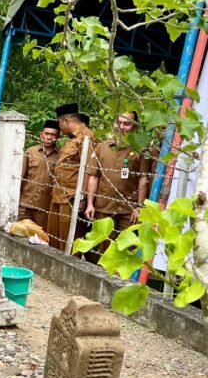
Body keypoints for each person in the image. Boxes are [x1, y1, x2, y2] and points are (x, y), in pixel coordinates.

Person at [84, 111, 153, 262]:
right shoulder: (102, 147)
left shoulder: (141, 149)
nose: (121, 127)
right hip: (104, 207)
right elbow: (94, 176)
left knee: (127, 251)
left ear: (134, 126)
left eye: (126, 124)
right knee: (105, 250)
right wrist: (90, 204)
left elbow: (143, 178)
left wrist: (139, 206)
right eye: (119, 122)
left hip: (128, 210)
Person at [46, 103, 95, 252]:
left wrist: (83, 198)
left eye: (60, 123)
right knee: (55, 240)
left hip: (72, 198)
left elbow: (89, 169)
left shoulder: (86, 137)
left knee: (70, 242)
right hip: (59, 195)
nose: (59, 128)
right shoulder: (71, 139)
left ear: (66, 121)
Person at [18, 119, 60, 228]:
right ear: (41, 135)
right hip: (25, 203)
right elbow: (21, 176)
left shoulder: (60, 156)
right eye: (47, 134)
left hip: (45, 207)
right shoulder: (31, 152)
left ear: (58, 137)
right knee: (21, 233)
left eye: (53, 135)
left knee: (40, 237)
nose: (49, 137)